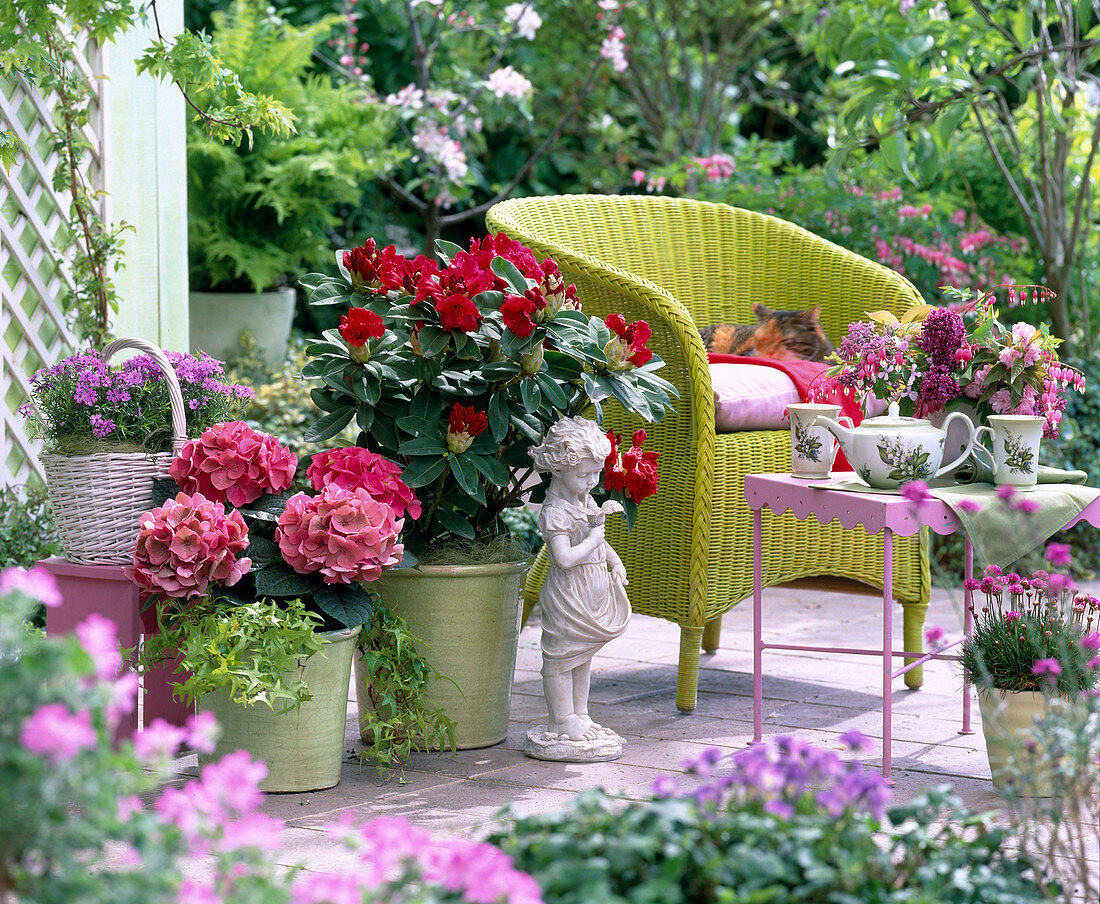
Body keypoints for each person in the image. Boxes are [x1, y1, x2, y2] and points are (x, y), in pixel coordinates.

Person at [528, 416, 630, 742]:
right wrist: (596, 541)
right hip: (569, 597)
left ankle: (580, 715)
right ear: (558, 469)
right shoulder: (556, 511)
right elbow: (565, 558)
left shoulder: (583, 500)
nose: (591, 481)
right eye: (583, 474)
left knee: (582, 657)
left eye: (596, 473)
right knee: (560, 660)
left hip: (590, 595)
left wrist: (614, 561)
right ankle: (561, 721)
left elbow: (595, 535)